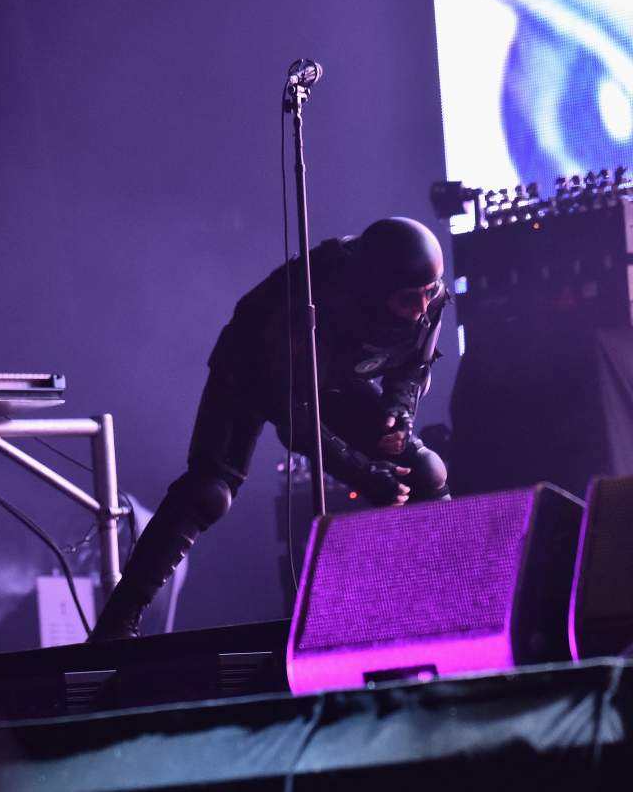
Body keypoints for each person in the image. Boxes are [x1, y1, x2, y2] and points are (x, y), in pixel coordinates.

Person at [91, 217, 451, 641]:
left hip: (333, 374)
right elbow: (294, 422)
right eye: (410, 298)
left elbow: (414, 365)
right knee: (209, 491)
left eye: (428, 293)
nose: (422, 307)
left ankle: (453, 599)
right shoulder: (308, 299)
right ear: (374, 287)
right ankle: (116, 625)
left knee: (425, 471)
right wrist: (363, 473)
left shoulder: (428, 296)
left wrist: (399, 411)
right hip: (253, 371)